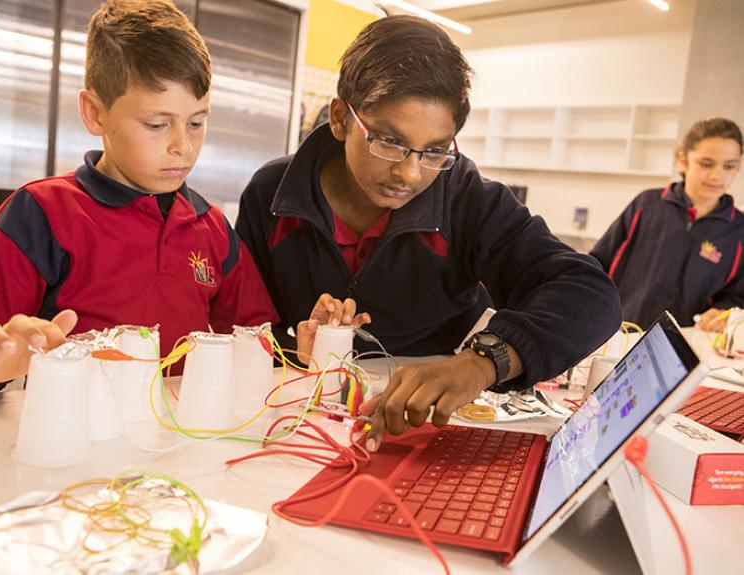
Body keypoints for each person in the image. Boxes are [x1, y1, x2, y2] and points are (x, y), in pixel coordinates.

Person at [235, 14, 622, 452]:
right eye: (388, 141)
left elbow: (589, 292)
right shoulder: (272, 194)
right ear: (341, 117)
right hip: (296, 425)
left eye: (436, 150)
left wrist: (479, 363)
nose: (409, 171)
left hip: (426, 432)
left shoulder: (465, 197)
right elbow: (242, 330)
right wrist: (295, 349)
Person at [0, 0, 366, 394]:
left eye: (197, 122)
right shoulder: (39, 215)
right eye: (157, 124)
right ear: (95, 113)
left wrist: (301, 346)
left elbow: (257, 341)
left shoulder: (210, 227)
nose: (183, 145)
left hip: (180, 447)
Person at [591, 117, 743, 332]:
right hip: (618, 333)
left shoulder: (739, 229)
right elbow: (598, 263)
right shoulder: (646, 204)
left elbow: (736, 295)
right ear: (683, 160)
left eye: (729, 166)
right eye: (706, 164)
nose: (717, 175)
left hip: (684, 346)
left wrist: (722, 310)